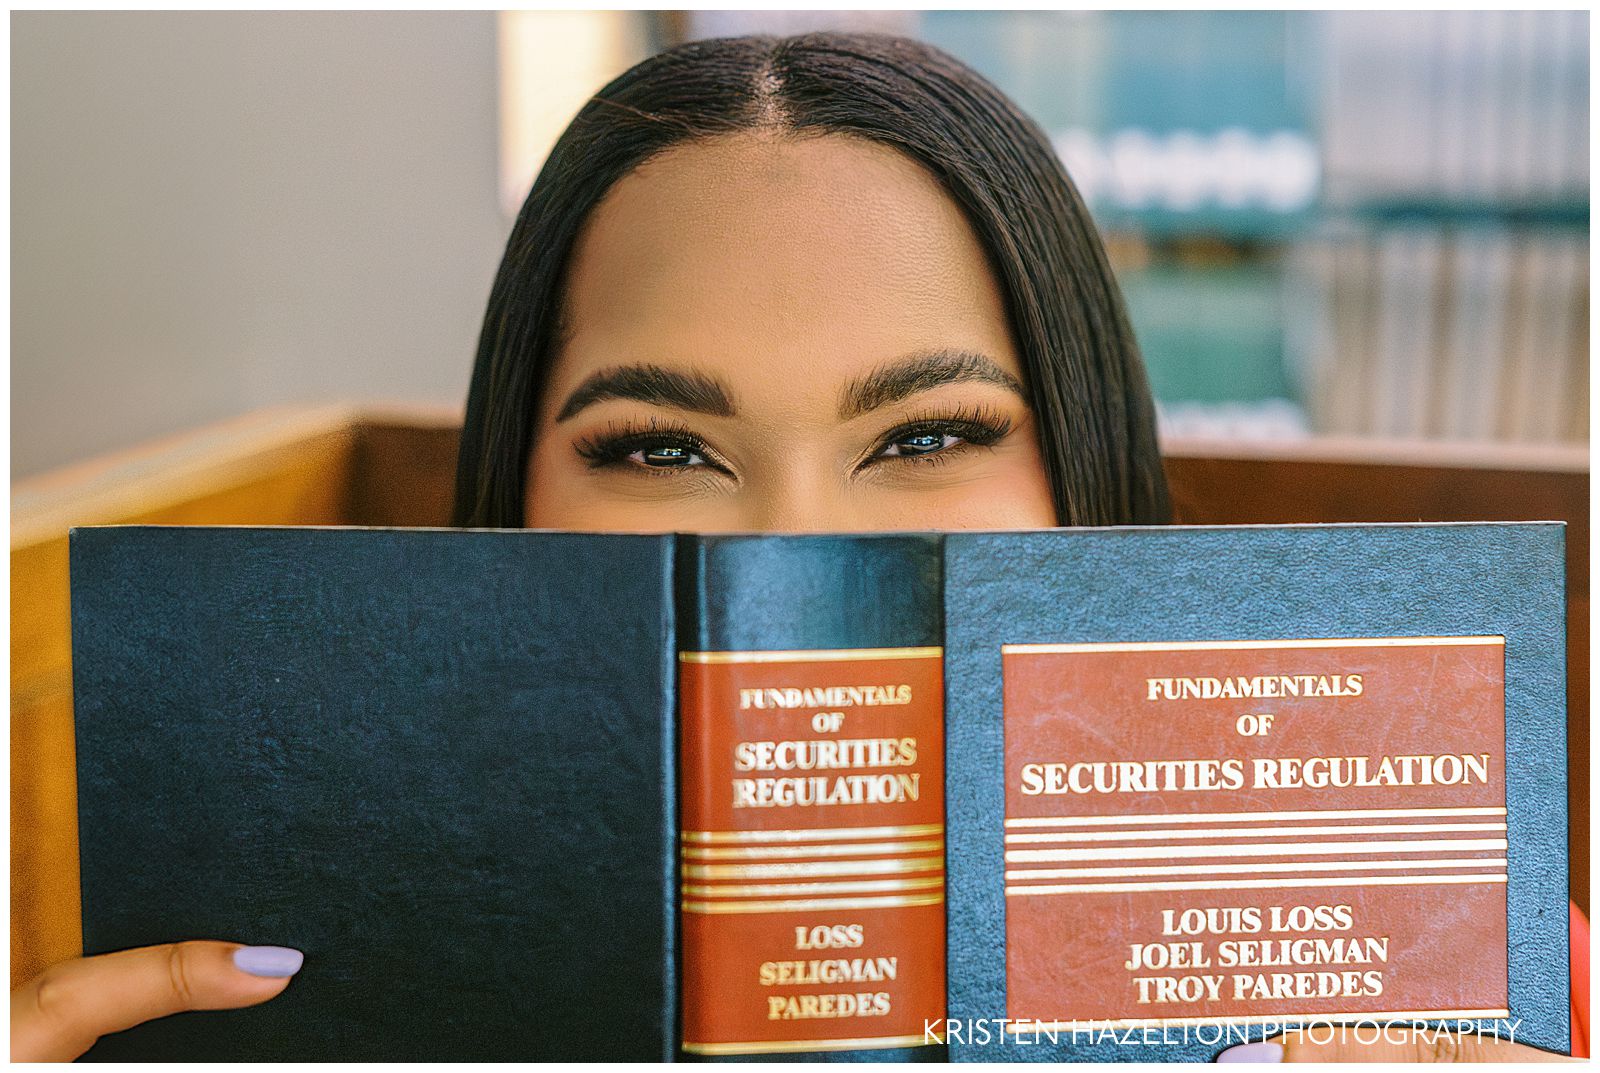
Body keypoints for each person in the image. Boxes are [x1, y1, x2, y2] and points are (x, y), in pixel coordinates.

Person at [11, 32, 1581, 1063]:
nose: (795, 547)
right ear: (518, 495)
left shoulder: (1462, 928)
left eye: (928, 436)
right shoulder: (291, 924)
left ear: (1083, 469)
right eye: (658, 449)